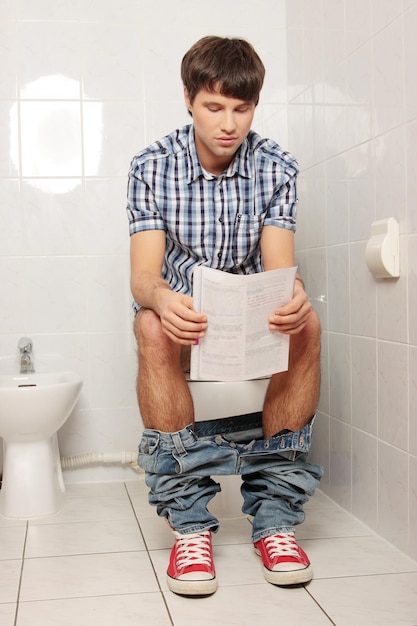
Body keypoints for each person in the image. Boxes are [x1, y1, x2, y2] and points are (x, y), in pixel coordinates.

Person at [126, 35, 323, 597]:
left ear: (254, 107)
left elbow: (282, 266)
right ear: (188, 99)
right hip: (187, 317)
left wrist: (294, 294)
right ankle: (189, 522)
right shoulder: (151, 166)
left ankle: (276, 516)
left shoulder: (277, 165)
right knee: (146, 322)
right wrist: (163, 301)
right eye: (215, 107)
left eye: (242, 108)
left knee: (307, 322)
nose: (229, 123)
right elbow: (143, 275)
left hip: (250, 315)